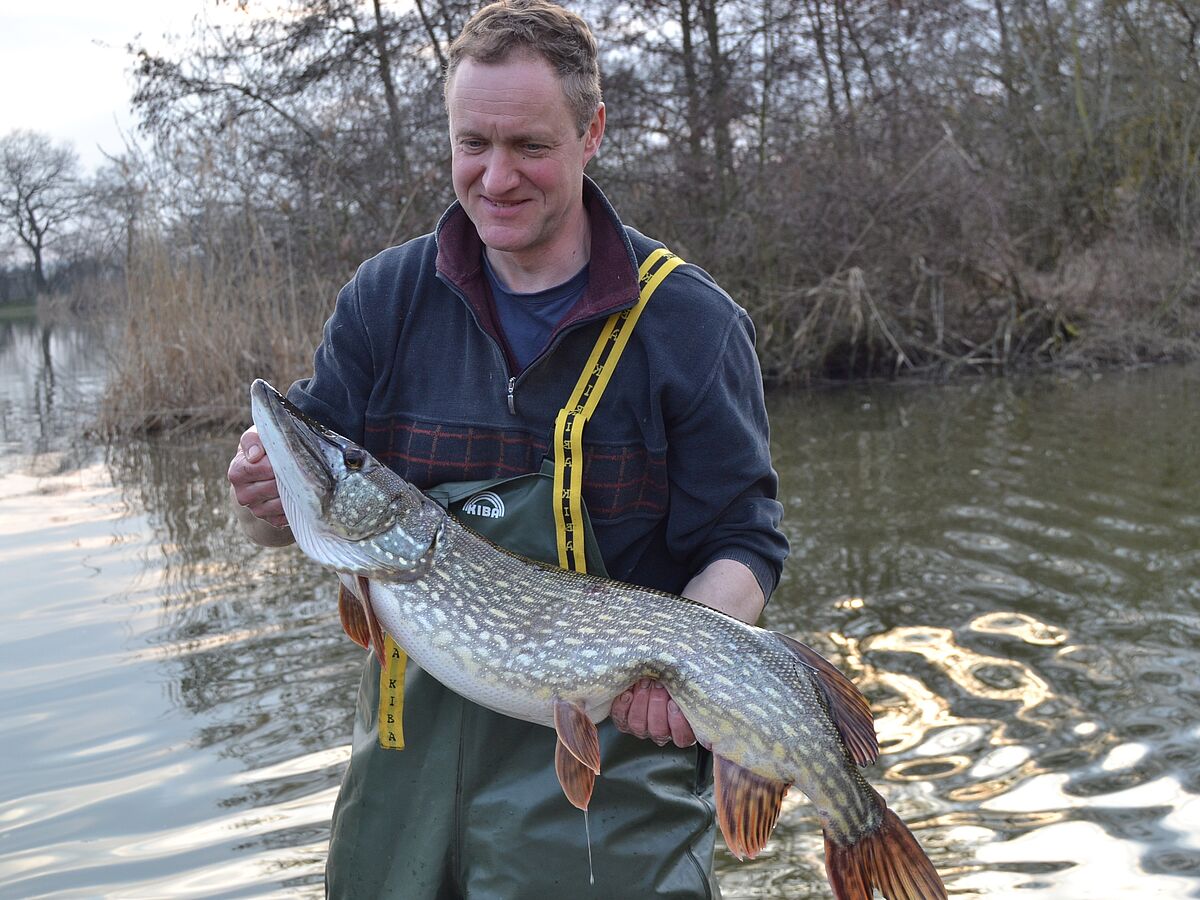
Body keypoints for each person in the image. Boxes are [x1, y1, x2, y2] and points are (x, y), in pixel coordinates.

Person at [228, 1, 788, 896]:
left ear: (591, 131)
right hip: (403, 787)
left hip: (613, 786)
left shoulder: (691, 325)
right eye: (471, 144)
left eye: (528, 145)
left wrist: (681, 665)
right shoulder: (386, 300)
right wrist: (260, 499)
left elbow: (746, 542)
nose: (495, 178)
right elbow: (302, 512)